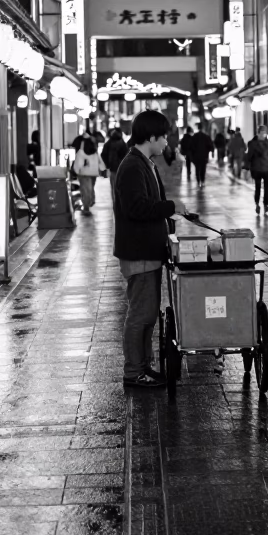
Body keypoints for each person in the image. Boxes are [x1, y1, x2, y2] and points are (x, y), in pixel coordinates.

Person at [113, 110, 187, 389]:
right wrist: (171, 207)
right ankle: (134, 372)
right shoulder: (133, 166)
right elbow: (137, 209)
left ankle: (143, 366)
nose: (167, 142)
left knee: (146, 313)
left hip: (148, 250)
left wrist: (172, 217)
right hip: (138, 252)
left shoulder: (147, 164)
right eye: (163, 136)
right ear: (151, 137)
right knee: (141, 314)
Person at [246, 125, 268, 214]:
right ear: (259, 133)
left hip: (260, 169)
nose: (264, 135)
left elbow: (249, 157)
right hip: (263, 169)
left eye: (265, 133)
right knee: (261, 188)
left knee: (262, 188)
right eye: (263, 133)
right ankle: (261, 204)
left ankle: (262, 204)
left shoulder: (253, 144)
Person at [72, 138, 107, 212]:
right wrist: (103, 169)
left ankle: (86, 205)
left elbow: (79, 164)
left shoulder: (81, 152)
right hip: (93, 173)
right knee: (91, 187)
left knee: (85, 189)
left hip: (84, 173)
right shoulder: (95, 152)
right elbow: (100, 162)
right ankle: (91, 200)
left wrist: (76, 171)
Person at [102, 128, 128, 200]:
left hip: (113, 168)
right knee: (122, 187)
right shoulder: (123, 143)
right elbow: (127, 155)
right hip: (122, 168)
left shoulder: (108, 143)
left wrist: (107, 165)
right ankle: (121, 203)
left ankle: (115, 203)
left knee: (114, 187)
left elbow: (103, 154)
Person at [188, 123, 214, 187]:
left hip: (197, 156)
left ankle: (198, 181)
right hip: (204, 156)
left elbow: (191, 147)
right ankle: (202, 181)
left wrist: (193, 155)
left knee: (197, 169)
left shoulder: (194, 136)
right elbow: (210, 146)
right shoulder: (206, 136)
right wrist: (210, 151)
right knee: (203, 169)